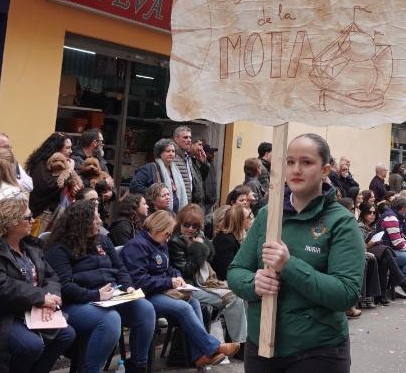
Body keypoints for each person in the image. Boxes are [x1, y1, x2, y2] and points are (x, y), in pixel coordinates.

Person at [228, 134, 364, 370]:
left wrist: (288, 266)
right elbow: (236, 271)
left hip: (318, 351)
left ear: (325, 170)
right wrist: (253, 283)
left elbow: (346, 293)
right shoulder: (267, 215)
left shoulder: (341, 222)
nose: (296, 170)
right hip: (261, 347)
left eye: (306, 162)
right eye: (290, 162)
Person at [0, 198, 76, 373]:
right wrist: (40, 298)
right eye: (28, 217)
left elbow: (51, 276)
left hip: (30, 309)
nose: (32, 221)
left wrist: (49, 301)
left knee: (66, 334)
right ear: (10, 223)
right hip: (0, 314)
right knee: (31, 345)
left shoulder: (30, 247)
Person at [45, 201, 155, 373]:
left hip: (110, 295)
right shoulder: (59, 248)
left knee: (145, 309)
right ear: (81, 223)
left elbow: (120, 269)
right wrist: (95, 295)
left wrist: (128, 287)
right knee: (110, 320)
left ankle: (138, 365)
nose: (100, 222)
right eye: (95, 219)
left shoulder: (103, 240)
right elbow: (64, 287)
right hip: (76, 302)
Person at [122, 211, 239, 367]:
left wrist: (178, 277)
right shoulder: (137, 246)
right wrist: (169, 282)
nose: (168, 238)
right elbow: (139, 281)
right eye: (167, 233)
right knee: (183, 307)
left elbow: (168, 267)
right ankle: (213, 347)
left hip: (160, 290)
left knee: (194, 302)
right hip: (145, 294)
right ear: (157, 228)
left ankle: (200, 356)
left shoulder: (160, 243)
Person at [170, 204, 248, 352]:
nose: (190, 229)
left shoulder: (197, 237)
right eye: (186, 225)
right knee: (234, 298)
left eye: (195, 226)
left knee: (242, 293)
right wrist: (198, 249)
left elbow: (211, 258)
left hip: (205, 282)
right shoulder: (175, 242)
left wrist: (202, 243)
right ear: (180, 223)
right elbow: (186, 270)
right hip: (188, 286)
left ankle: (239, 341)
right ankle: (240, 346)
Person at [130, 139, 188, 213]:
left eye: (173, 151)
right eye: (168, 151)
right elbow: (134, 186)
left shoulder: (176, 170)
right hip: (155, 213)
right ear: (160, 153)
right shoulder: (149, 168)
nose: (171, 154)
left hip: (174, 214)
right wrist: (155, 195)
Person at [26, 133, 75, 220]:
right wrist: (69, 170)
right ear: (56, 148)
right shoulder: (41, 165)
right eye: (67, 148)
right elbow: (49, 185)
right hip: (42, 216)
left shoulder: (65, 163)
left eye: (71, 148)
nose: (70, 151)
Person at [172, 126, 205, 208]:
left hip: (188, 203)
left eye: (190, 137)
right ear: (176, 139)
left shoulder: (187, 157)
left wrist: (203, 163)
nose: (189, 140)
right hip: (177, 204)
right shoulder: (172, 157)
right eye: (185, 137)